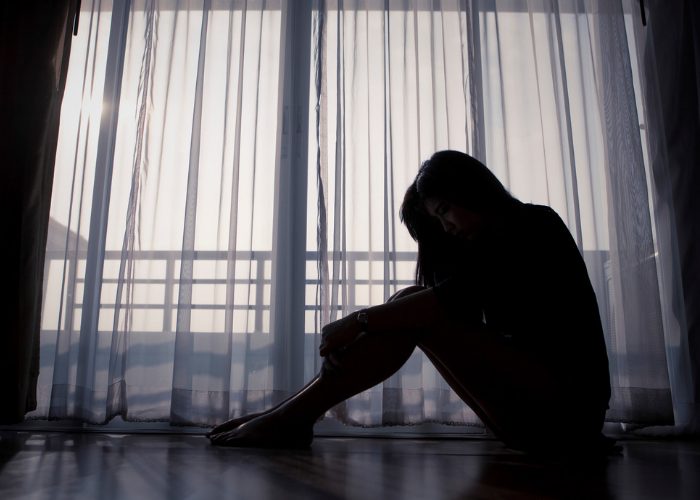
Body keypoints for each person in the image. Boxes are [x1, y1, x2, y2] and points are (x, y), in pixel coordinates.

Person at [208, 150, 613, 455]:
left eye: (444, 211)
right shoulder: (481, 249)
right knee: (409, 306)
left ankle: (290, 419)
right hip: (530, 418)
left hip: (568, 413)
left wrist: (360, 321)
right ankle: (289, 415)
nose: (446, 226)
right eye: (437, 222)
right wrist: (370, 321)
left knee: (410, 307)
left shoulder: (533, 225)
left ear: (468, 191)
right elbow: (452, 306)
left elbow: (445, 302)